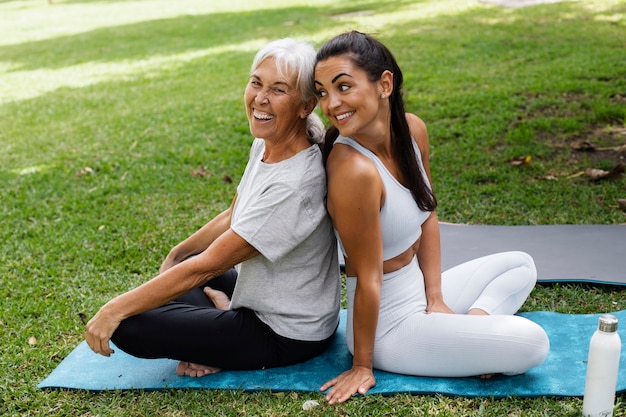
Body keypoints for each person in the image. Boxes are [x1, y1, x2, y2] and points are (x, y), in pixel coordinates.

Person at [313, 31, 550, 404]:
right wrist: (363, 364)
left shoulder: (412, 130)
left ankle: (469, 327)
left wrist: (435, 296)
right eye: (322, 91)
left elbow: (427, 214)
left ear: (384, 84)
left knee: (521, 265)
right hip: (387, 326)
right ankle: (472, 338)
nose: (331, 103)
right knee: (533, 343)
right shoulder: (352, 168)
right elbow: (368, 274)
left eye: (343, 87)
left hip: (418, 289)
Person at [85, 38, 341, 377]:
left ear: (306, 105)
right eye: (256, 83)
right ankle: (223, 319)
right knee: (182, 269)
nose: (260, 99)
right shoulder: (271, 138)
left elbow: (205, 268)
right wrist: (178, 253)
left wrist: (112, 309)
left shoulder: (294, 183)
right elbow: (234, 217)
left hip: (285, 332)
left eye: (279, 90)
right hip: (259, 299)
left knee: (127, 325)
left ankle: (224, 341)